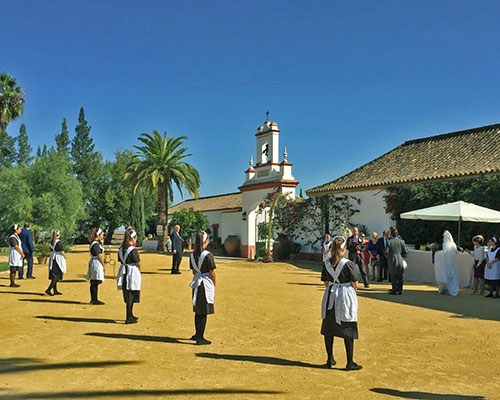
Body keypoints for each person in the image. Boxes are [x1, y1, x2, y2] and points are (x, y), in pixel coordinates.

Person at [321, 236, 362, 371]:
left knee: (329, 328)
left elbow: (326, 283)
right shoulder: (349, 264)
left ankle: (329, 359)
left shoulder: (326, 264)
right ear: (344, 249)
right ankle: (350, 362)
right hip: (344, 296)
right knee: (348, 327)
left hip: (330, 296)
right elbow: (355, 284)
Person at [189, 230, 216, 345]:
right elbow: (212, 272)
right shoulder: (208, 255)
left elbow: (193, 271)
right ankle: (200, 337)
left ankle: (197, 334)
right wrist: (214, 284)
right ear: (205, 241)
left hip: (196, 283)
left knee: (197, 311)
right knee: (203, 311)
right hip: (205, 284)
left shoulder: (192, 255)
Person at [117, 229, 142, 324]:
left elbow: (120, 260)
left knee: (128, 293)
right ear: (133, 238)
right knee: (131, 294)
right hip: (131, 272)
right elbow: (138, 262)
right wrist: (139, 271)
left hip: (123, 271)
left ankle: (130, 314)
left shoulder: (121, 248)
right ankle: (128, 317)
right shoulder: (133, 250)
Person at [433, 230, 461, 296]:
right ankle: (453, 290)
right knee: (453, 276)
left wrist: (437, 252)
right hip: (452, 263)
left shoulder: (445, 244)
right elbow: (456, 252)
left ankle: (447, 289)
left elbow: (444, 252)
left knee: (446, 276)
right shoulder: (453, 244)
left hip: (446, 263)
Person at [86, 228, 106, 305]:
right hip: (96, 263)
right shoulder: (95, 244)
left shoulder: (95, 243)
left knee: (94, 282)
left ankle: (94, 299)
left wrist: (102, 243)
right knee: (95, 282)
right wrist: (103, 265)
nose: (102, 236)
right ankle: (94, 300)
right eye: (102, 235)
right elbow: (99, 255)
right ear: (98, 235)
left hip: (94, 262)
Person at [385, 227, 408, 295]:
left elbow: (386, 252)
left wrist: (387, 256)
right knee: (400, 275)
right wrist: (402, 256)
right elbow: (405, 251)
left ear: (391, 234)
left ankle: (394, 289)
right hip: (400, 259)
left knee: (393, 275)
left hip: (392, 259)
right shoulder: (401, 241)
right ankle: (400, 289)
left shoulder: (389, 242)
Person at [45, 230, 66, 296]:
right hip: (58, 259)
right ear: (58, 235)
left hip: (53, 257)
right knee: (56, 276)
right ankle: (48, 289)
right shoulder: (59, 242)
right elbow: (62, 252)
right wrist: (65, 257)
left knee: (54, 275)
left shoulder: (52, 242)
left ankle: (55, 290)